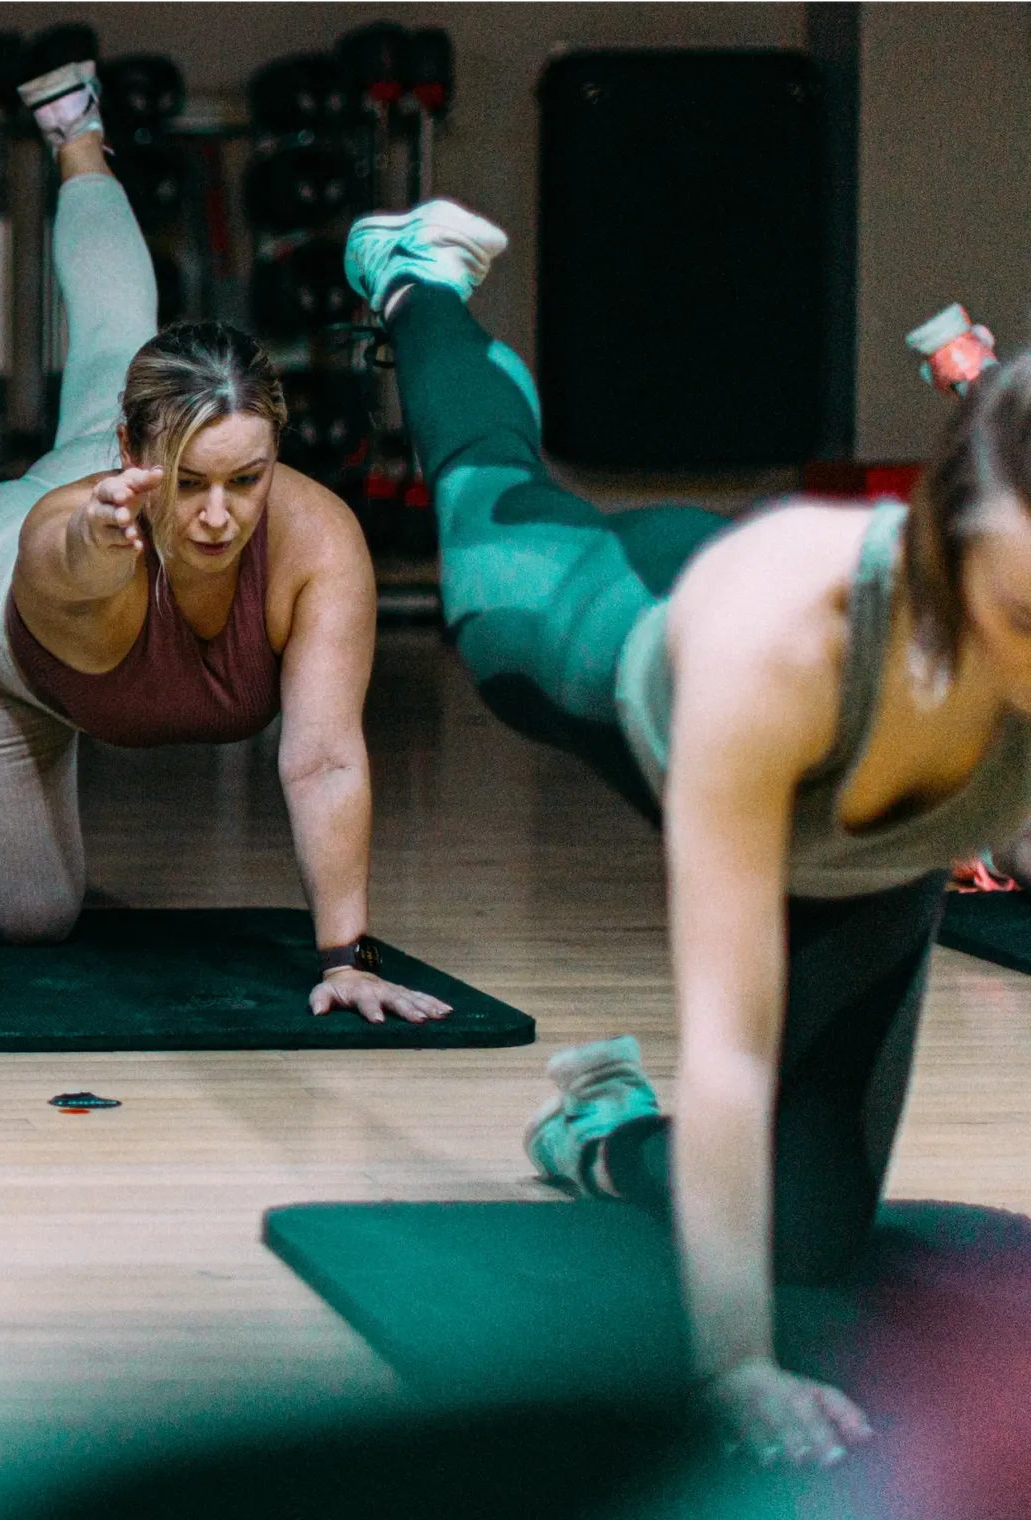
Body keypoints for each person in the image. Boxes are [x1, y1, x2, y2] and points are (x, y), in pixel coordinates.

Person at [343, 197, 1031, 1469]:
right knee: (488, 504)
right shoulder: (781, 634)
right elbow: (730, 1043)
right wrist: (736, 1364)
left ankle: (599, 1131)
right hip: (622, 626)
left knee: (807, 1246)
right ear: (945, 551)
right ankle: (415, 280)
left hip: (873, 863)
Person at [0, 60, 449, 1025]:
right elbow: (64, 561)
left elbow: (324, 759)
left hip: (115, 457)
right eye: (191, 485)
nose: (219, 516)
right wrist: (100, 529)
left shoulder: (319, 542)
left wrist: (349, 956)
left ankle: (77, 134)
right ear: (139, 457)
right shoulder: (88, 525)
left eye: (248, 479)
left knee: (121, 339)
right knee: (33, 919)